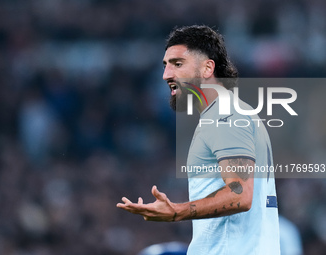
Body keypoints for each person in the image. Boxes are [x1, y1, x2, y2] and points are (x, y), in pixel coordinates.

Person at [117, 25, 280, 255]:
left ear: (207, 68)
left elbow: (240, 194)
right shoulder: (234, 113)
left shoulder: (225, 115)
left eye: (178, 64)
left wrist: (177, 211)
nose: (166, 75)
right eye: (165, 66)